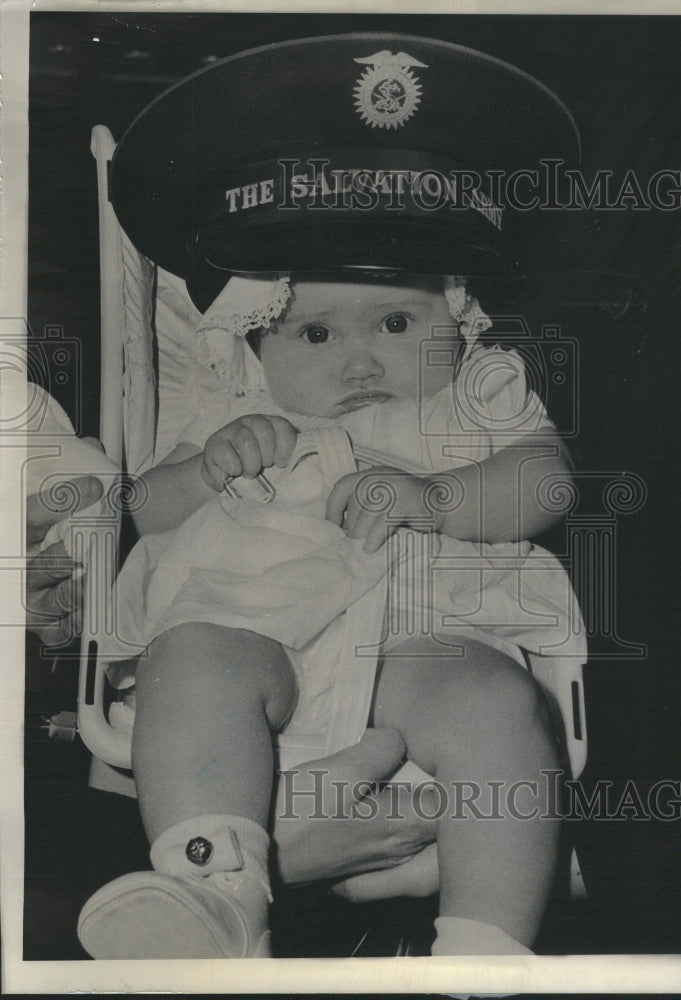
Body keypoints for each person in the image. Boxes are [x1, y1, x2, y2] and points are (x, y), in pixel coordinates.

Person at [74, 33, 586, 959]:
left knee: (493, 705)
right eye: (313, 333)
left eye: (397, 321)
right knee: (190, 658)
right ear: (257, 346)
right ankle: (215, 892)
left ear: (458, 317)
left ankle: (487, 943)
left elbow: (545, 479)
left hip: (424, 648)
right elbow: (142, 514)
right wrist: (210, 465)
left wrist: (439, 498)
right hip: (256, 650)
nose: (360, 359)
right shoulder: (237, 408)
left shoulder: (477, 391)